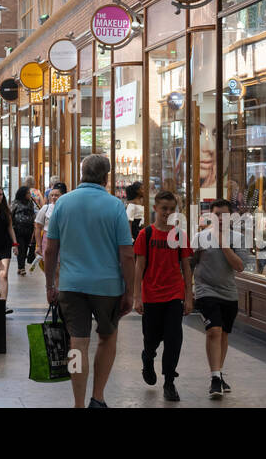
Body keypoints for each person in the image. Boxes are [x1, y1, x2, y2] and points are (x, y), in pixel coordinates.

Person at [44, 154, 134, 408]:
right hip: (107, 286)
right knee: (107, 337)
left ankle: (78, 403)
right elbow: (127, 254)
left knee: (77, 344)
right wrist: (130, 291)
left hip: (71, 285)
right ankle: (98, 396)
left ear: (81, 173)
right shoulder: (115, 206)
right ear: (106, 177)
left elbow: (50, 250)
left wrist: (50, 285)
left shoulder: (63, 203)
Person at [133, 189, 194, 402]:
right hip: (151, 295)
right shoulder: (145, 234)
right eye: (164, 209)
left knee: (173, 339)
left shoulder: (179, 235)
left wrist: (188, 297)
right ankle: (148, 357)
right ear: (155, 208)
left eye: (171, 209)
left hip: (174, 295)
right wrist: (137, 296)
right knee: (151, 339)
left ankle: (169, 381)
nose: (167, 213)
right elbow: (139, 267)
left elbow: (186, 267)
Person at [193, 199, 243, 397]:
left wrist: (223, 243)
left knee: (223, 334)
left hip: (229, 293)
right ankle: (215, 378)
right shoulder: (200, 237)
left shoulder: (238, 238)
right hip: (206, 291)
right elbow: (190, 264)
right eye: (216, 215)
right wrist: (187, 291)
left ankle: (219, 373)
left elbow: (239, 266)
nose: (220, 219)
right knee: (213, 331)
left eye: (224, 215)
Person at [33, 185, 62, 267]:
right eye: (52, 195)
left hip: (62, 240)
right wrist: (39, 246)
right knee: (50, 266)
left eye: (56, 195)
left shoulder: (66, 208)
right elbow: (37, 227)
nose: (54, 197)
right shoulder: (46, 208)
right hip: (47, 239)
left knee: (59, 266)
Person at [12, 186, 38, 275]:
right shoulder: (16, 203)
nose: (30, 195)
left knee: (26, 247)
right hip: (18, 229)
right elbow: (11, 214)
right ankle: (21, 267)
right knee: (21, 248)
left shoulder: (30, 203)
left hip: (29, 229)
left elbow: (33, 213)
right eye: (28, 193)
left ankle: (21, 267)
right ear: (23, 194)